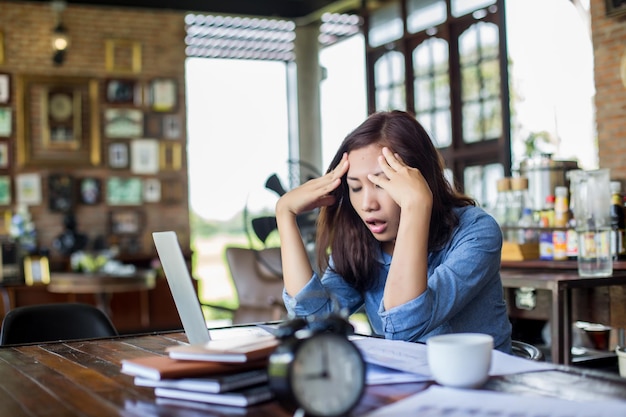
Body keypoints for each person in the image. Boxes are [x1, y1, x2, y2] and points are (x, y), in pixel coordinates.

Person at [276, 110, 512, 353]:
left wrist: (416, 206)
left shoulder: (476, 231)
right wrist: (285, 214)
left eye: (381, 184)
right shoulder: (361, 242)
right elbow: (314, 323)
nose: (368, 204)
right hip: (408, 384)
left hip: (483, 384)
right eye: (356, 188)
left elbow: (405, 326)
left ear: (419, 181)